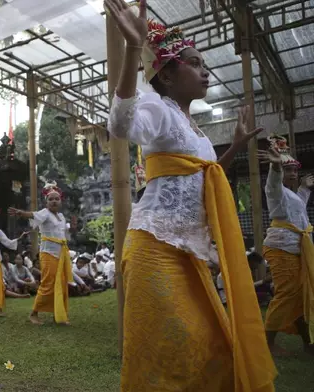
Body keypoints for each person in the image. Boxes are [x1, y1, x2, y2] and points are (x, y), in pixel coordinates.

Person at [104, 0, 275, 389]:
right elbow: (119, 125)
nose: (205, 70)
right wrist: (134, 49)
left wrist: (232, 148)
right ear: (165, 75)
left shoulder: (194, 129)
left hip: (190, 248)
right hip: (154, 245)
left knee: (212, 341)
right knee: (168, 348)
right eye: (195, 64)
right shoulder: (157, 107)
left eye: (204, 64)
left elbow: (206, 177)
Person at [258, 137, 314, 356]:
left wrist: (304, 189)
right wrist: (275, 165)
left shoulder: (291, 195)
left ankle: (308, 343)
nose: (292, 174)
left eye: (294, 171)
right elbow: (274, 182)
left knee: (302, 294)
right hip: (282, 248)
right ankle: (268, 342)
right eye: (288, 170)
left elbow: (296, 210)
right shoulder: (275, 189)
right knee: (287, 293)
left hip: (296, 248)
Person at [9, 181, 74, 326]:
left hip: (61, 254)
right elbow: (32, 214)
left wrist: (73, 227)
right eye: (50, 199)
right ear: (46, 202)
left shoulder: (62, 217)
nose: (54, 201)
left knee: (62, 284)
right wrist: (21, 213)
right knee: (48, 283)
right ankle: (34, 313)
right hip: (48, 253)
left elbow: (66, 235)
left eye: (56, 199)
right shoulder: (45, 213)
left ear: (61, 201)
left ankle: (59, 315)